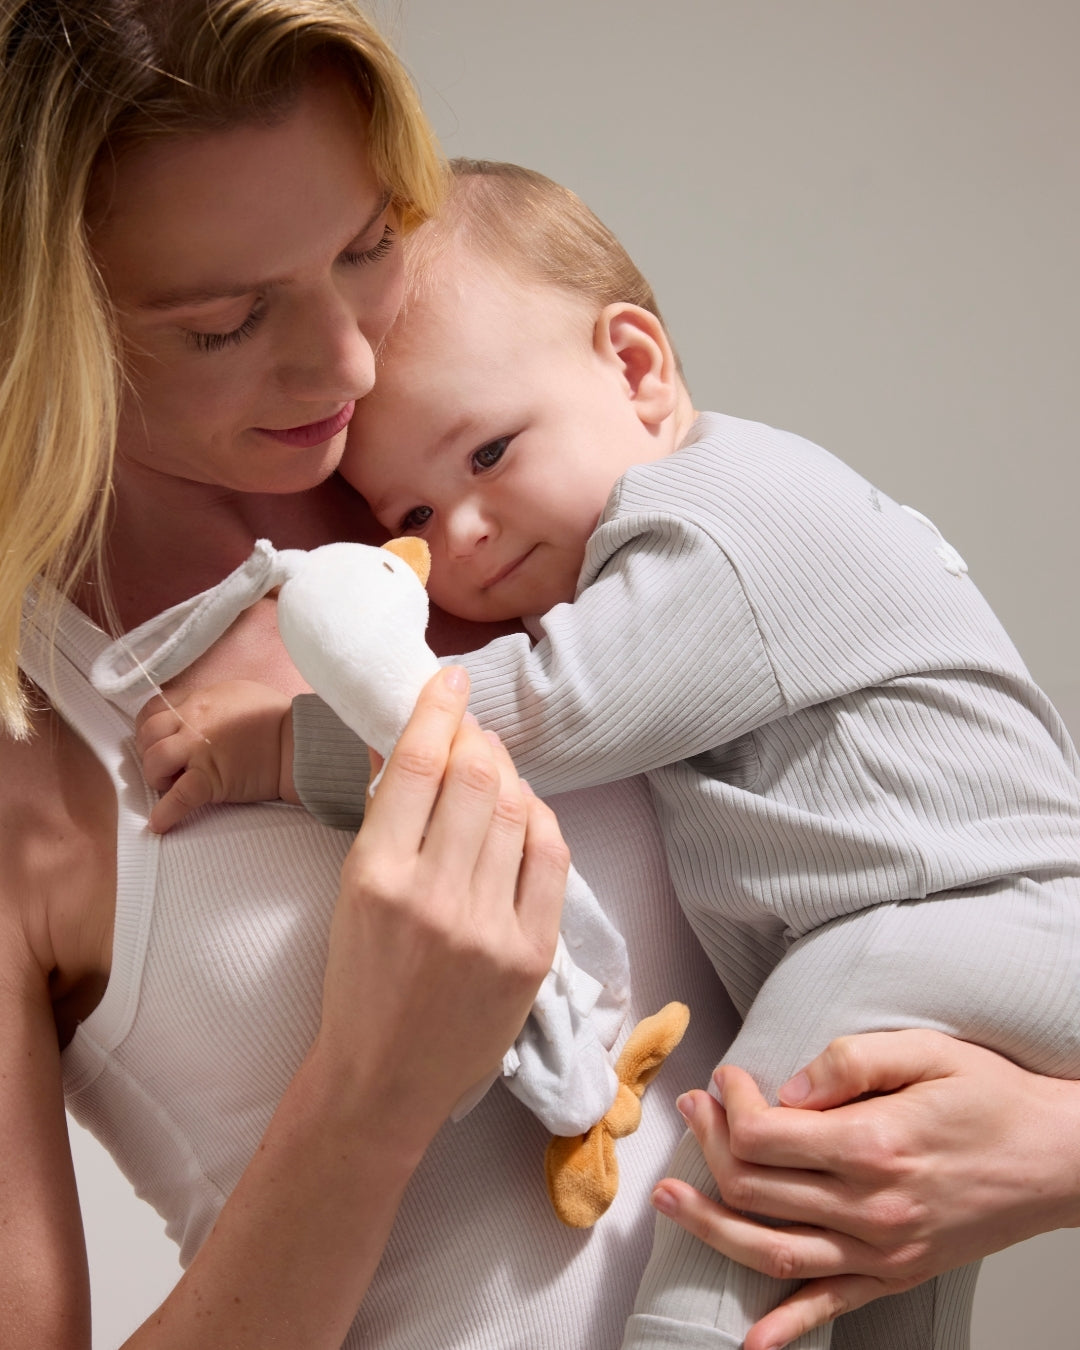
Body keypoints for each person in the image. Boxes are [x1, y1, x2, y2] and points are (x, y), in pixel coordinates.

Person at [2, 6, 1079, 1349]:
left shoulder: (506, 452)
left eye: (365, 246)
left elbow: (935, 870)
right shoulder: (33, 758)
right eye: (225, 323)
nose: (349, 361)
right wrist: (369, 1099)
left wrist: (1053, 1149)